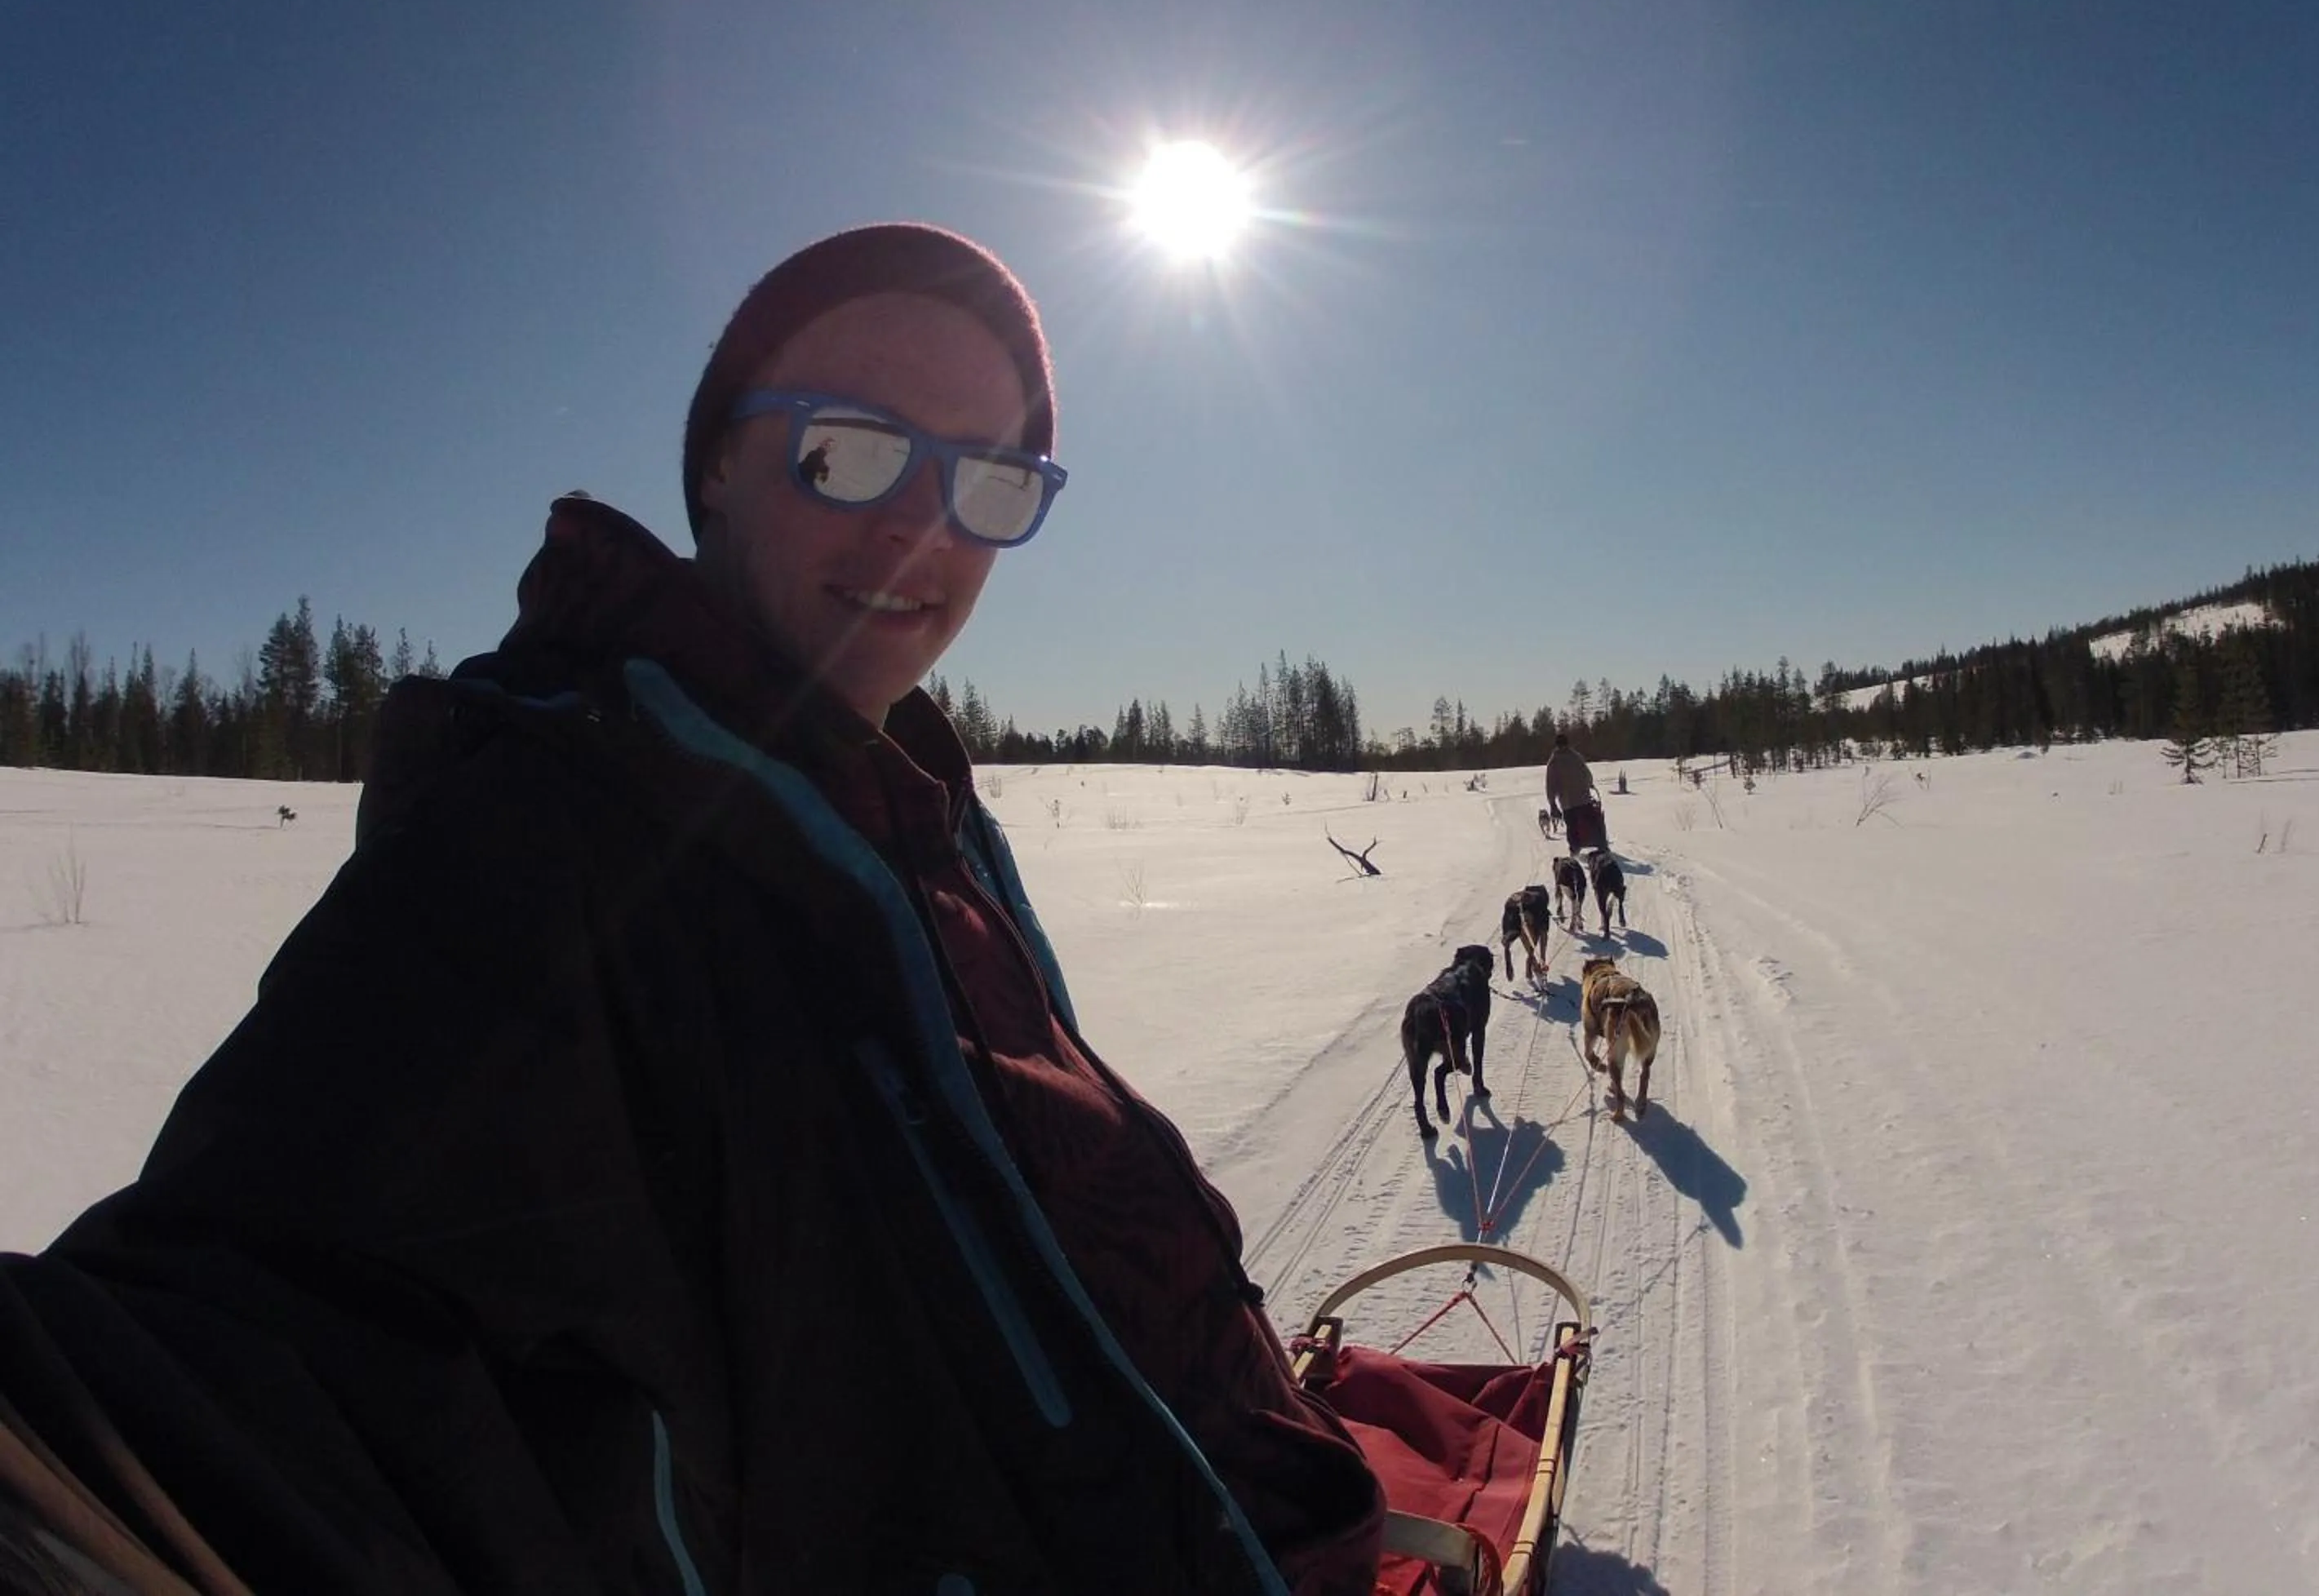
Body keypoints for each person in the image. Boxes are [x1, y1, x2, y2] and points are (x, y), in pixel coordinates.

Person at [0, 224, 1386, 1594]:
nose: (923, 525)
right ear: (718, 462)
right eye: (851, 449)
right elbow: (272, 1315)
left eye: (992, 481)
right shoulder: (541, 829)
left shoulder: (899, 805)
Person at [1545, 729, 1605, 853]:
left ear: (1556, 745)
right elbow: (1587, 775)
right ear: (1568, 743)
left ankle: (1575, 850)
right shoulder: (1576, 757)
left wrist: (1552, 803)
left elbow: (1551, 785)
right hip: (1584, 799)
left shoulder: (1554, 761)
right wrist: (1589, 785)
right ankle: (1600, 846)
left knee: (1572, 827)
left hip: (1568, 802)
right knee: (1591, 823)